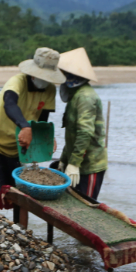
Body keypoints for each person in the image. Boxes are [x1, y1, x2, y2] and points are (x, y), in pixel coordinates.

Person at [0, 47, 64, 215]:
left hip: (17, 145)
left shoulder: (49, 90)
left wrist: (47, 137)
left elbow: (42, 119)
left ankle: (22, 232)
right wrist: (25, 126)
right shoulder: (17, 82)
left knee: (21, 190)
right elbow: (9, 104)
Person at [54, 48, 108, 200]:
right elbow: (72, 134)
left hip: (90, 166)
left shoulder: (85, 97)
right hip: (77, 162)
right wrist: (64, 159)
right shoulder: (75, 96)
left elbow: (85, 132)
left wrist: (74, 163)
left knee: (85, 210)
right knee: (72, 208)